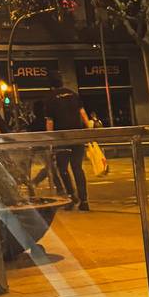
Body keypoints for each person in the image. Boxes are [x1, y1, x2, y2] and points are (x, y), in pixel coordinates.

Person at [45, 72, 92, 210]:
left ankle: (71, 196)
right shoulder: (73, 94)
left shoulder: (50, 98)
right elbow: (83, 114)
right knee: (77, 167)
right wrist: (89, 130)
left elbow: (50, 121)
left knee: (63, 168)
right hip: (77, 136)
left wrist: (50, 141)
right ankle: (84, 201)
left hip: (62, 138)